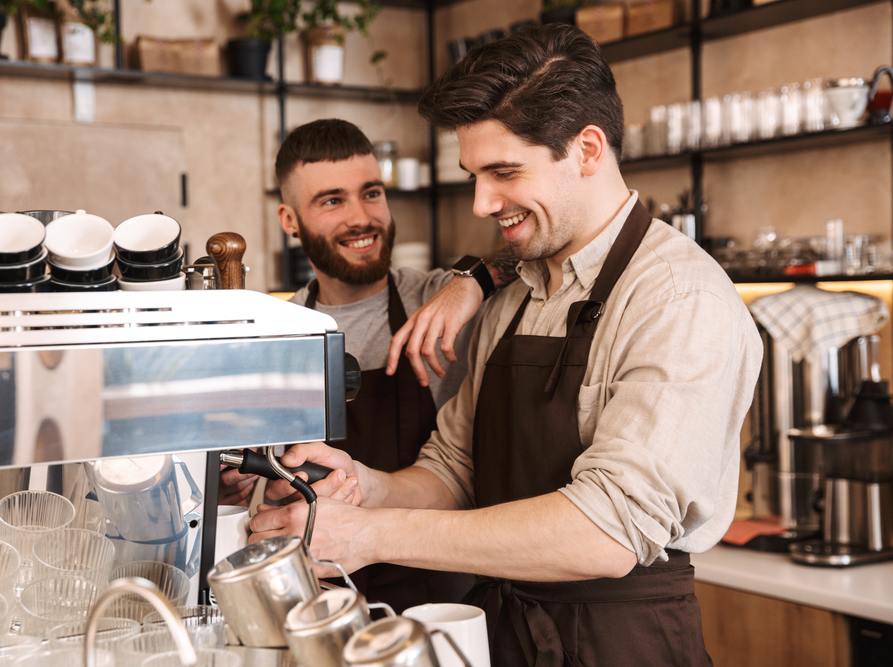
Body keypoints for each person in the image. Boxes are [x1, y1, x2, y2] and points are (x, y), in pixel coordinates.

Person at [249, 25, 762, 666]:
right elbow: (454, 468)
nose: (482, 202)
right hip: (504, 637)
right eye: (473, 175)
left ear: (588, 149)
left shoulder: (679, 299)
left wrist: (369, 533)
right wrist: (366, 487)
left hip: (621, 646)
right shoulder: (515, 293)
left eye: (503, 172)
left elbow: (607, 531)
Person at [220, 118, 518, 613]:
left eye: (372, 193)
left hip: (449, 597)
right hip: (321, 602)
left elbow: (540, 250)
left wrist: (473, 281)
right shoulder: (274, 334)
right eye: (332, 200)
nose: (361, 217)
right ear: (289, 220)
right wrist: (232, 484)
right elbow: (241, 486)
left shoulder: (439, 300)